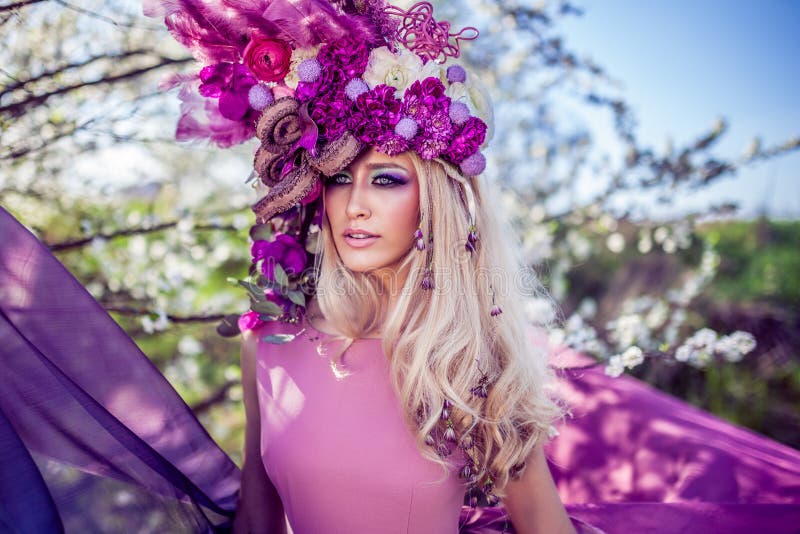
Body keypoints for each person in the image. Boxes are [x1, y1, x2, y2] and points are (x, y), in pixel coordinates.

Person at [234, 144, 576, 533]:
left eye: (386, 179)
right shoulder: (269, 341)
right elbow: (255, 523)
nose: (354, 205)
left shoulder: (470, 361)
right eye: (338, 178)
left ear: (436, 199)